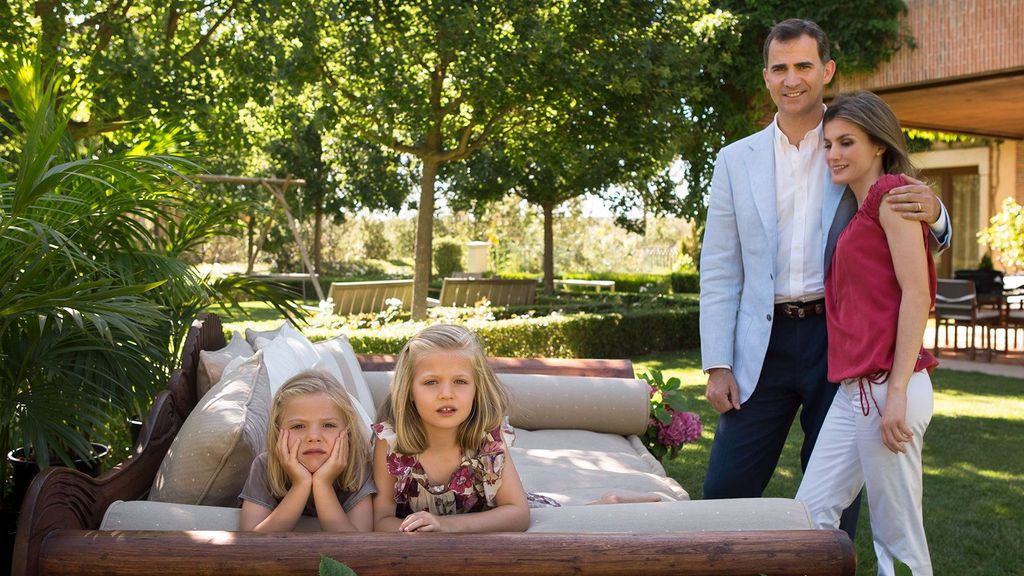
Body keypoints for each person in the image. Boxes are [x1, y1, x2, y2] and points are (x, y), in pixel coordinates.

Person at [698, 18, 950, 537]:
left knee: (836, 502)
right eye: (780, 68)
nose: (792, 79)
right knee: (722, 493)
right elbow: (721, 268)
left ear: (827, 70)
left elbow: (899, 193)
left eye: (804, 66)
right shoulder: (734, 160)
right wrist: (717, 362)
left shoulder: (849, 139)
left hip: (839, 341)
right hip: (758, 346)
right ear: (766, 77)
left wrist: (937, 211)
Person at [796, 91, 935, 575]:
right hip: (854, 390)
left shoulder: (891, 196)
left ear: (878, 145)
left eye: (846, 142)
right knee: (809, 516)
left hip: (887, 386)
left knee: (897, 538)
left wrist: (895, 392)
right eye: (829, 144)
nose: (833, 153)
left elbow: (917, 295)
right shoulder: (857, 210)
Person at [371, 324, 533, 532]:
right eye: (431, 382)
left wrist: (445, 526)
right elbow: (380, 520)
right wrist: (423, 534)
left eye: (460, 381)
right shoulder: (390, 443)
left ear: (477, 388)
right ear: (410, 390)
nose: (446, 394)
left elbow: (518, 513)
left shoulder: (488, 438)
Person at [239, 370, 375, 532]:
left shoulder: (358, 467)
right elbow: (252, 545)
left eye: (328, 425)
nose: (313, 437)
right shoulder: (265, 467)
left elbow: (357, 549)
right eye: (298, 426)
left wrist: (322, 484)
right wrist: (300, 485)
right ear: (277, 432)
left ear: (348, 431)